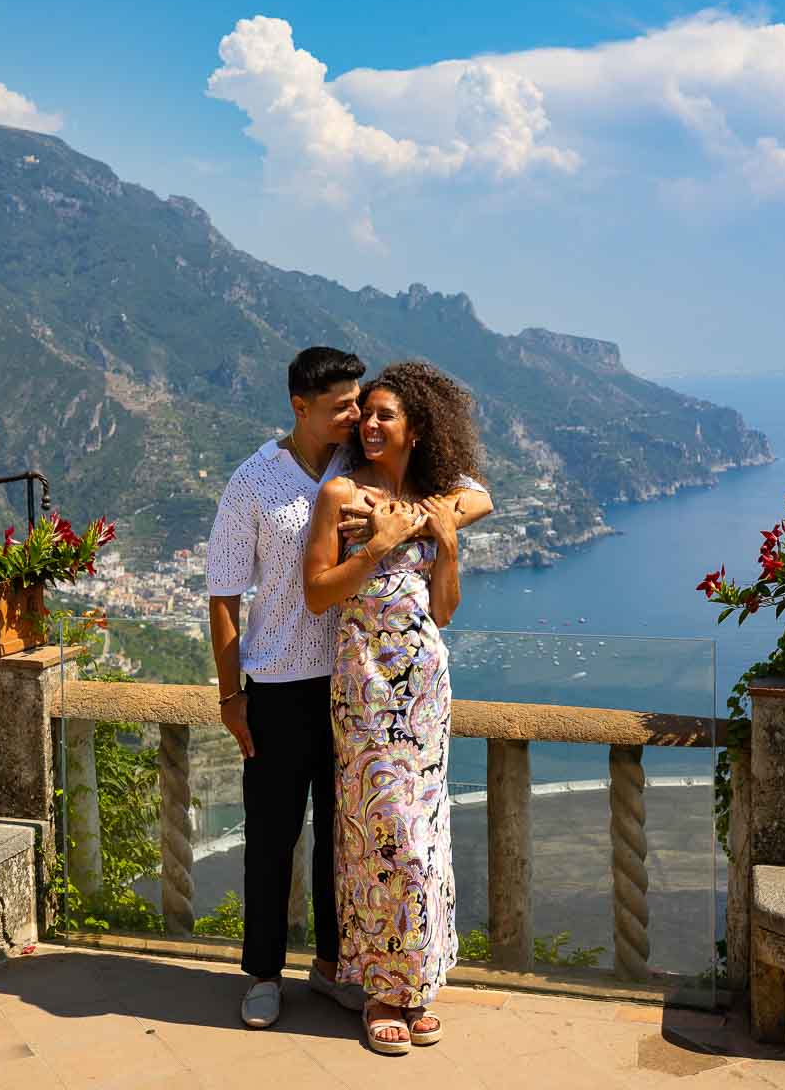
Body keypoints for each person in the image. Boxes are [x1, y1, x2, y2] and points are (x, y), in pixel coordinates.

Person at [206, 347, 492, 1031]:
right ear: (300, 406)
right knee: (273, 835)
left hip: (351, 684)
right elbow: (222, 593)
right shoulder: (255, 482)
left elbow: (474, 495)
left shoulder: (354, 467)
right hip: (278, 682)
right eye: (344, 406)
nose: (356, 416)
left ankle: (341, 970)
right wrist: (230, 696)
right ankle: (264, 974)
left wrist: (423, 524)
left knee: (350, 839)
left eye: (363, 405)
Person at [304, 361, 487, 1056]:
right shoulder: (341, 497)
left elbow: (444, 610)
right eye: (367, 414)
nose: (370, 425)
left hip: (425, 688)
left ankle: (416, 984)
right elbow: (318, 594)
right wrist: (377, 546)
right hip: (364, 688)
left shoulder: (431, 500)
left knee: (426, 835)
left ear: (417, 429)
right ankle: (381, 988)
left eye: (386, 416)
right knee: (381, 837)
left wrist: (445, 543)